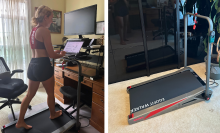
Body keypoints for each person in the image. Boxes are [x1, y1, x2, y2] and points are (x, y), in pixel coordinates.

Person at [15, 5, 66, 129]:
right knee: (50, 93)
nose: (52, 21)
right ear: (45, 17)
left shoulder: (33, 30)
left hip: (33, 65)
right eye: (51, 18)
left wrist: (55, 53)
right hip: (43, 65)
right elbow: (51, 54)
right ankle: (53, 114)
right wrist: (61, 54)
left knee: (29, 95)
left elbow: (40, 49)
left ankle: (20, 122)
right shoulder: (44, 30)